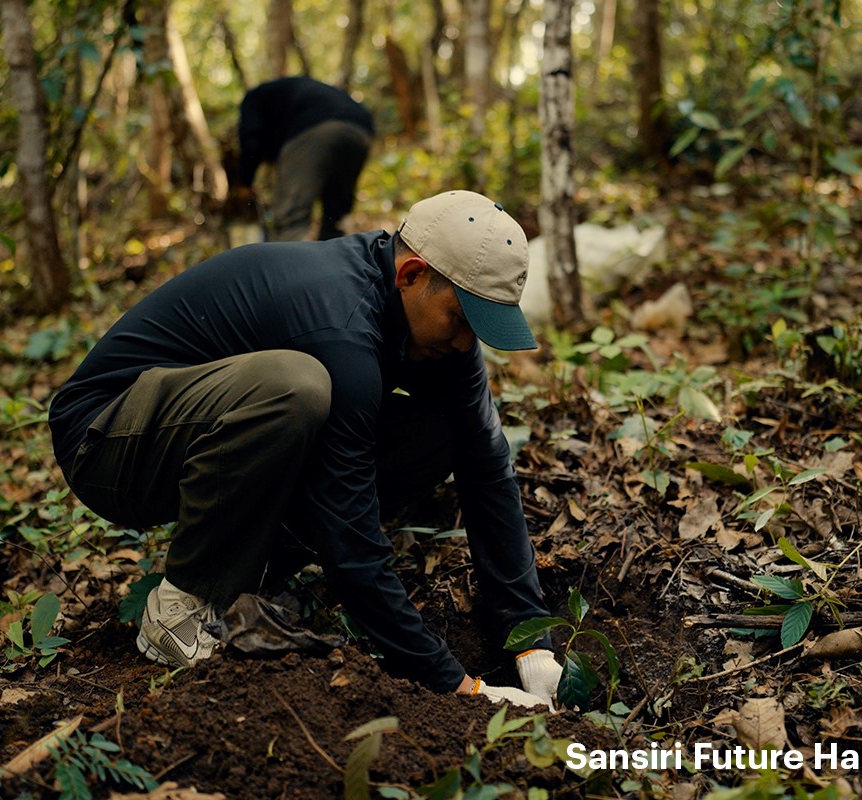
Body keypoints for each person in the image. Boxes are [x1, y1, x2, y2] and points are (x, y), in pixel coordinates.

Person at [49, 190, 564, 708]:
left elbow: (488, 468)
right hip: (109, 441)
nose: (462, 343)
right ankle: (182, 605)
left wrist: (531, 644)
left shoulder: (431, 326)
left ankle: (252, 581)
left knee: (447, 430)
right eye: (459, 319)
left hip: (203, 435)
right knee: (296, 387)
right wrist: (458, 687)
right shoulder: (340, 324)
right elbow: (352, 536)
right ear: (411, 275)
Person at [237, 75, 374, 241]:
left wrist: (245, 182)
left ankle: (286, 264)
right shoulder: (298, 92)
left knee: (291, 216)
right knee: (336, 217)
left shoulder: (253, 98)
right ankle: (335, 261)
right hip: (361, 130)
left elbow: (251, 140)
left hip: (315, 129)